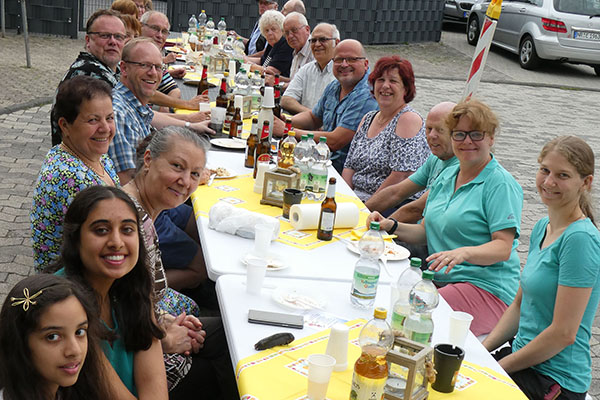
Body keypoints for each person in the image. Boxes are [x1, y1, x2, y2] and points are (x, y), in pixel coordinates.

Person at [370, 99, 523, 336]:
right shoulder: (449, 172)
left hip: (485, 288)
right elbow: (426, 231)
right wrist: (391, 225)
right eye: (459, 134)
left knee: (411, 315)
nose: (467, 141)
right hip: (443, 280)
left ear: (491, 138)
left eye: (476, 134)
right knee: (386, 293)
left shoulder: (500, 184)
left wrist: (464, 252)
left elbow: (503, 248)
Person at [123, 128, 238, 399]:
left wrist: (170, 323)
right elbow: (112, 313)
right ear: (149, 160)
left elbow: (139, 301)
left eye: (195, 173)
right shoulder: (126, 224)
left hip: (150, 331)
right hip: (135, 362)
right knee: (232, 354)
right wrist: (166, 339)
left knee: (226, 332)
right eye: (177, 166)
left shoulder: (143, 214)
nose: (185, 181)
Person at [484, 136, 600, 400]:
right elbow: (518, 305)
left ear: (586, 182)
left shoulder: (580, 239)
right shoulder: (541, 228)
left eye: (562, 175)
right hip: (523, 360)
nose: (548, 182)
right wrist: (483, 350)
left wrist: (498, 368)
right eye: (545, 170)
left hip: (554, 380)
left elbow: (563, 334)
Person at [57, 186, 168, 398]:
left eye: (127, 230)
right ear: (76, 239)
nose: (116, 243)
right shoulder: (63, 304)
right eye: (101, 230)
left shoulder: (133, 291)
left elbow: (154, 389)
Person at [32, 76, 119, 272]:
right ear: (65, 125)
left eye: (109, 118)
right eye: (93, 120)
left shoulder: (92, 154)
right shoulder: (71, 179)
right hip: (77, 285)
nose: (105, 128)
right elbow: (112, 244)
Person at [108, 37, 212, 185]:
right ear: (124, 68)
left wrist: (190, 123)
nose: (153, 73)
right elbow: (129, 184)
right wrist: (188, 177)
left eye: (158, 67)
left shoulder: (134, 105)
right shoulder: (119, 114)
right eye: (145, 65)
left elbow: (153, 117)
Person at [0, 274, 112, 400]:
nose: (75, 351)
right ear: (19, 342)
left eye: (79, 332)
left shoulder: (79, 390)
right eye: (53, 337)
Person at [342, 56, 429, 203]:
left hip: (391, 203)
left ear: (406, 89)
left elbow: (400, 175)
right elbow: (349, 165)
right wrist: (344, 197)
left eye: (393, 81)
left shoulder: (407, 119)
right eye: (380, 80)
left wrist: (365, 208)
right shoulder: (368, 118)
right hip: (356, 199)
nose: (385, 86)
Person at [283, 39, 378, 172]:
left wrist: (287, 131)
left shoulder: (368, 94)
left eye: (351, 59)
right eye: (338, 60)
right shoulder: (335, 86)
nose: (344, 64)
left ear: (365, 64)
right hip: (322, 162)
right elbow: (313, 118)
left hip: (345, 174)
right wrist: (286, 121)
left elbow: (335, 141)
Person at [365, 101, 457, 219]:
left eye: (440, 130)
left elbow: (416, 209)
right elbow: (395, 193)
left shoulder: (459, 167)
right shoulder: (435, 158)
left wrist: (380, 227)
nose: (431, 136)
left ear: (456, 132)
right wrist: (362, 212)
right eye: (429, 129)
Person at [51, 9, 126, 145]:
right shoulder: (88, 74)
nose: (113, 42)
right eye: (105, 36)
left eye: (119, 37)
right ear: (88, 40)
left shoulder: (113, 69)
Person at [139, 11, 207, 110]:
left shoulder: (153, 57)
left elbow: (174, 90)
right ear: (140, 27)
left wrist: (165, 106)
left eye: (164, 32)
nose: (160, 35)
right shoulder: (133, 56)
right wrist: (187, 105)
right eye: (155, 28)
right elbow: (145, 92)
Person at [281, 22, 338, 114]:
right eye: (313, 40)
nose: (317, 44)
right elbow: (286, 100)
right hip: (305, 124)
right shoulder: (306, 69)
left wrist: (313, 118)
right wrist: (313, 115)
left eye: (323, 40)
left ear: (336, 43)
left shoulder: (342, 73)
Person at [246, 10, 294, 77]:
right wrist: (243, 58)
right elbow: (263, 61)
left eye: (273, 29)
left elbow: (271, 72)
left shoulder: (286, 45)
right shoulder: (272, 44)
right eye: (266, 30)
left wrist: (250, 65)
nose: (269, 33)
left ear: (282, 30)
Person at [274, 12, 312, 86]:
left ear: (307, 29)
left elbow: (306, 86)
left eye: (294, 30)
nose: (290, 36)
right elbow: (295, 80)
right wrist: (277, 80)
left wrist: (280, 85)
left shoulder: (315, 50)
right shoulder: (296, 50)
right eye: (287, 33)